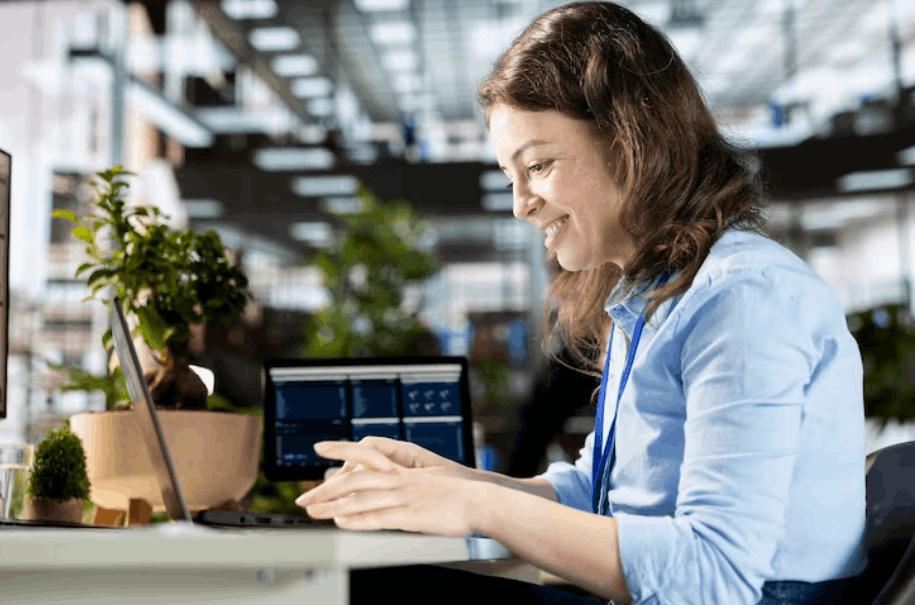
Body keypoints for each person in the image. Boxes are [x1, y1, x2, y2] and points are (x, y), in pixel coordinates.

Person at [294, 3, 866, 604]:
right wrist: (454, 483)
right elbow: (595, 492)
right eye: (511, 176)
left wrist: (477, 504)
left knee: (370, 589)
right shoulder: (650, 298)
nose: (521, 205)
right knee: (368, 580)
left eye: (537, 165)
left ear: (631, 142)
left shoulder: (741, 297)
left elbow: (713, 576)